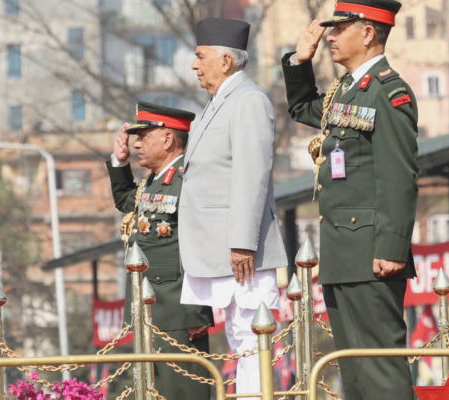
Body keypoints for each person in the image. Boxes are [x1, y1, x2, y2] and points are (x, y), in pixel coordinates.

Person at [281, 1, 419, 399]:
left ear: (368, 33)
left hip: (373, 253)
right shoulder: (346, 89)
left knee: (381, 369)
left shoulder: (389, 92)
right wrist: (298, 62)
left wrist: (391, 246)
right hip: (343, 250)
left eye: (340, 29)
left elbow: (399, 174)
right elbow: (304, 108)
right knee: (355, 373)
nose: (331, 37)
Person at [178, 17, 288, 397]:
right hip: (218, 247)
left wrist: (243, 241)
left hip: (242, 250)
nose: (195, 65)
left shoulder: (248, 100)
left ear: (225, 61)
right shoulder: (218, 102)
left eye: (200, 56)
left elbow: (251, 174)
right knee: (238, 334)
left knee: (251, 334)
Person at [107, 102, 213, 400]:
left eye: (144, 137)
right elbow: (130, 204)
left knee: (183, 391)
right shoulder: (154, 181)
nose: (136, 143)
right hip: (150, 308)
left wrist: (196, 310)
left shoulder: (185, 179)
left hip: (178, 311)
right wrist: (119, 162)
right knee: (152, 390)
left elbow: (196, 244)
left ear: (167, 140)